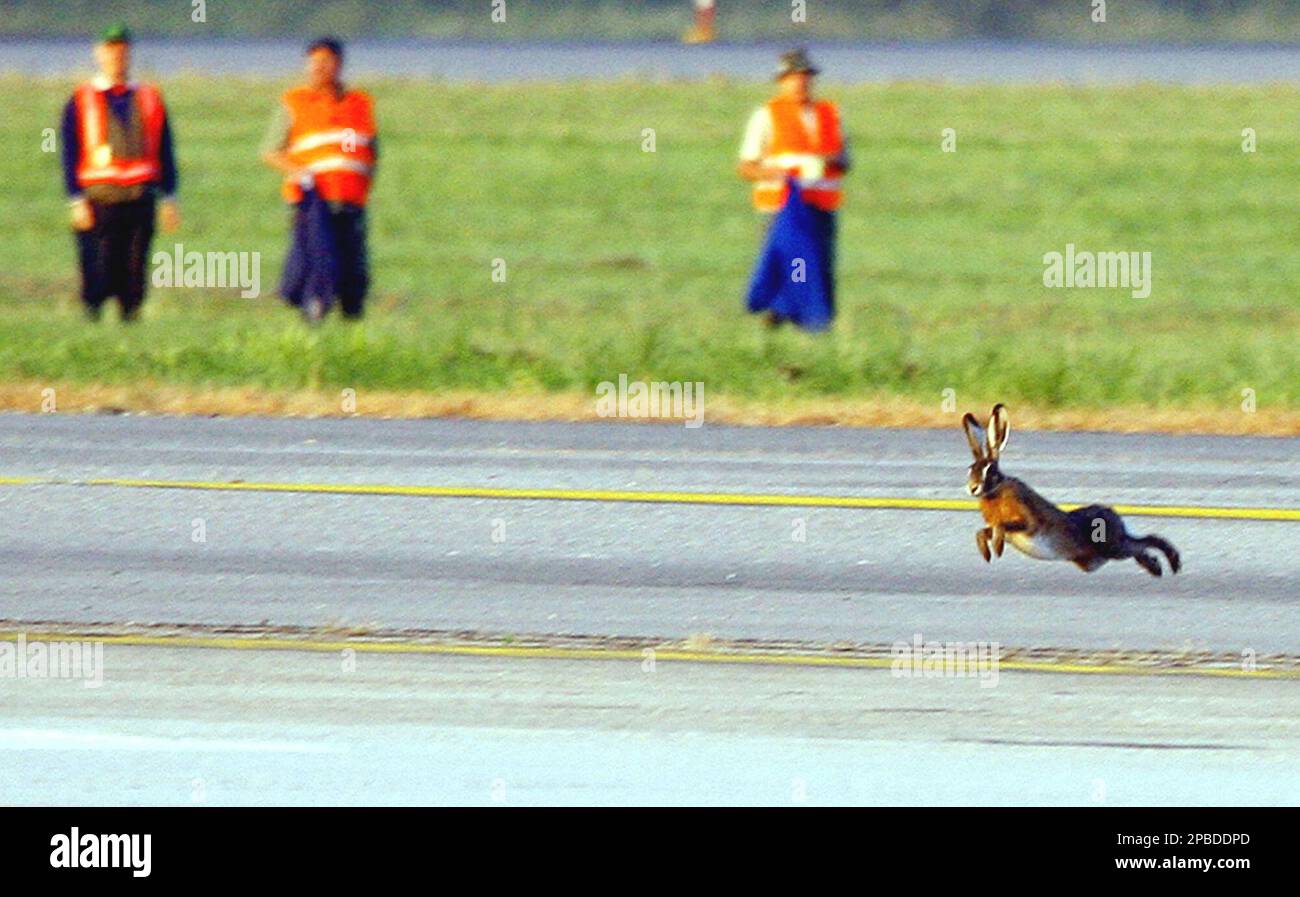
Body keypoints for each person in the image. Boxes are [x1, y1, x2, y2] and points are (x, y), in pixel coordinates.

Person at [61, 24, 181, 322]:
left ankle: (131, 320)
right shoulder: (81, 99)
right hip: (98, 197)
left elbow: (165, 150)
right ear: (98, 54)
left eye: (122, 51)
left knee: (134, 267)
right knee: (97, 265)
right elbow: (69, 151)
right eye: (111, 51)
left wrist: (169, 197)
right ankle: (93, 320)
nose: (117, 57)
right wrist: (75, 200)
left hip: (140, 197)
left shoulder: (150, 97)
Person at [262, 37, 377, 322]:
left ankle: (353, 327)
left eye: (325, 62)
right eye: (314, 63)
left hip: (349, 203)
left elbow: (362, 149)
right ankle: (310, 321)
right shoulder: (295, 102)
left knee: (353, 269)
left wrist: (355, 176)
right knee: (315, 265)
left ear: (339, 65)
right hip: (313, 204)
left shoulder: (357, 103)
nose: (318, 69)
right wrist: (300, 172)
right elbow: (270, 151)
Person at [737, 49, 849, 327]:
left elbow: (846, 161)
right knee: (785, 266)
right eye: (793, 77)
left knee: (820, 268)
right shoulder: (766, 116)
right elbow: (746, 166)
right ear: (781, 81)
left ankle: (817, 323)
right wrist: (774, 173)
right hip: (780, 208)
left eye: (805, 77)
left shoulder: (830, 114)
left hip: (820, 208)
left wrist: (831, 161)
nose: (800, 83)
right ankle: (775, 320)